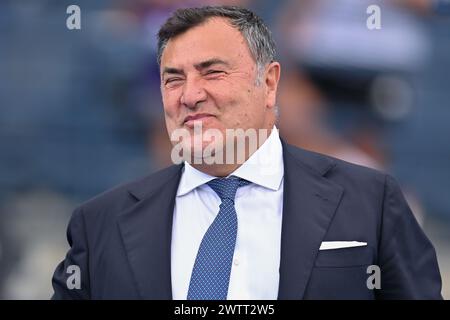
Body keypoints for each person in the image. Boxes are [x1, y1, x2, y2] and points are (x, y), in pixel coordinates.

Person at [51, 6, 442, 300]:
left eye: (213, 73)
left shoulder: (371, 202)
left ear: (269, 83)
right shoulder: (100, 222)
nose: (189, 95)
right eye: (173, 79)